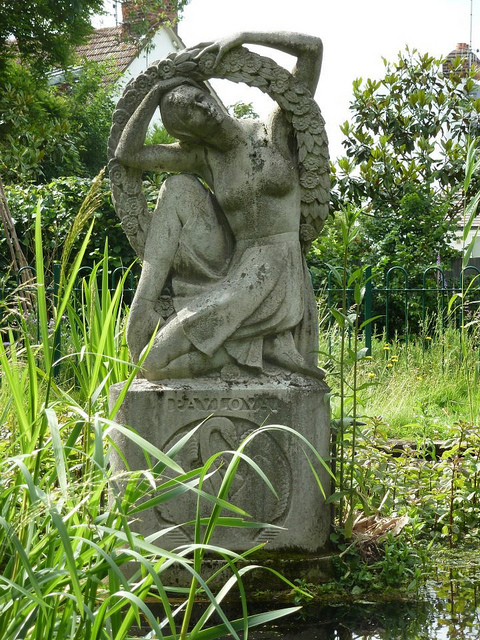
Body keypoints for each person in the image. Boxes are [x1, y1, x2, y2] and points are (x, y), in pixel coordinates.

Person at [115, 31, 326, 381]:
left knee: (155, 361)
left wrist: (243, 37)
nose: (201, 108)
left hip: (278, 267)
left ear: (208, 93)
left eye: (197, 98)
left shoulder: (272, 128)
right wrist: (155, 90)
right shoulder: (204, 158)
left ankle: (256, 345)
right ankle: (147, 306)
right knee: (177, 187)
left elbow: (312, 50)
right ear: (187, 132)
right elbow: (129, 154)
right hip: (236, 268)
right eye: (189, 113)